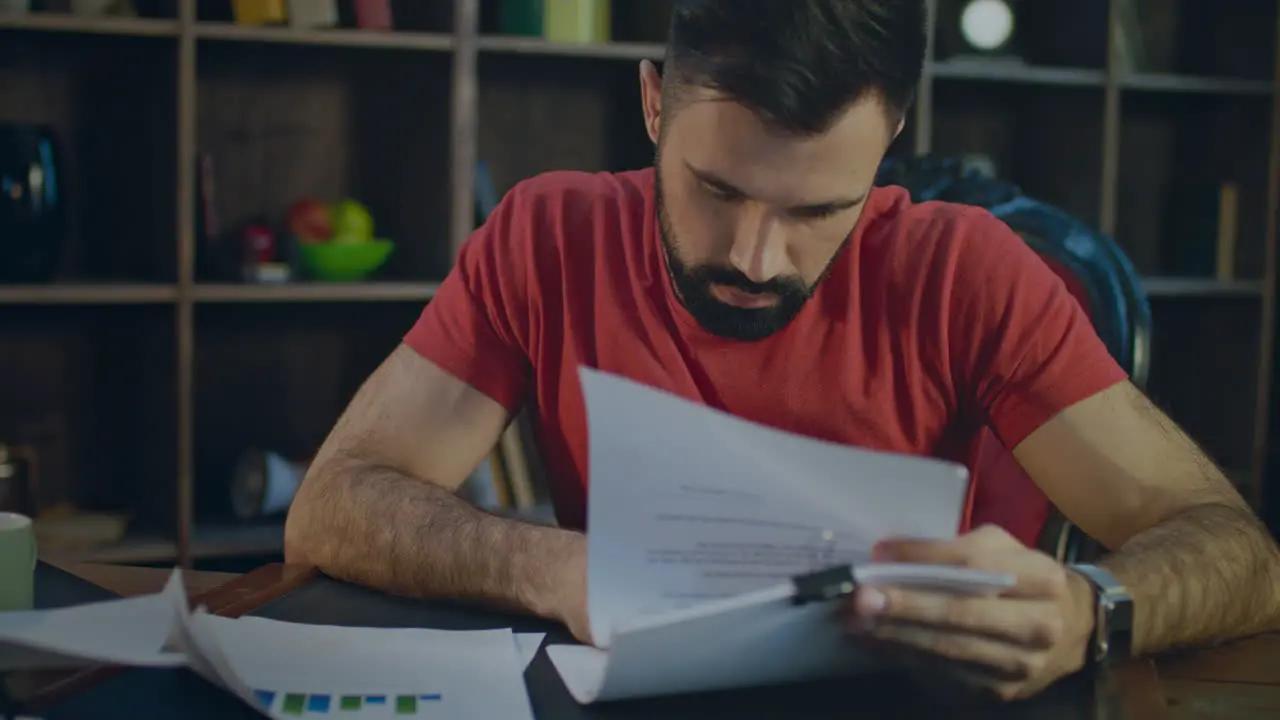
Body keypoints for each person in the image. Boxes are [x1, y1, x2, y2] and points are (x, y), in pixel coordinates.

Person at [283, 0, 1280, 702]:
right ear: (652, 106)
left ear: (887, 136)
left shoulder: (964, 270)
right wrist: (550, 569)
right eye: (715, 191)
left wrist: (1088, 605)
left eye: (816, 210)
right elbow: (333, 504)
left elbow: (1238, 552)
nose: (753, 260)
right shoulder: (549, 235)